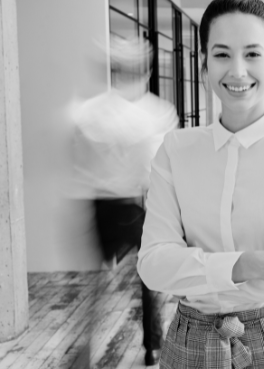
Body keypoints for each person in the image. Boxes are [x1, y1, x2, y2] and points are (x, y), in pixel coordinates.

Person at [137, 0, 264, 368]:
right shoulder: (175, 149)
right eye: (222, 54)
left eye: (253, 54)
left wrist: (196, 268)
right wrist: (254, 263)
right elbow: (154, 265)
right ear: (205, 62)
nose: (238, 70)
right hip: (188, 345)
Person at [71, 36, 177, 367]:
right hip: (137, 204)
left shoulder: (89, 112)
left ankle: (86, 347)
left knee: (98, 284)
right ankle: (153, 347)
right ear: (143, 71)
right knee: (149, 280)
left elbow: (80, 162)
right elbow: (157, 167)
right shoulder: (157, 113)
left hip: (101, 205)